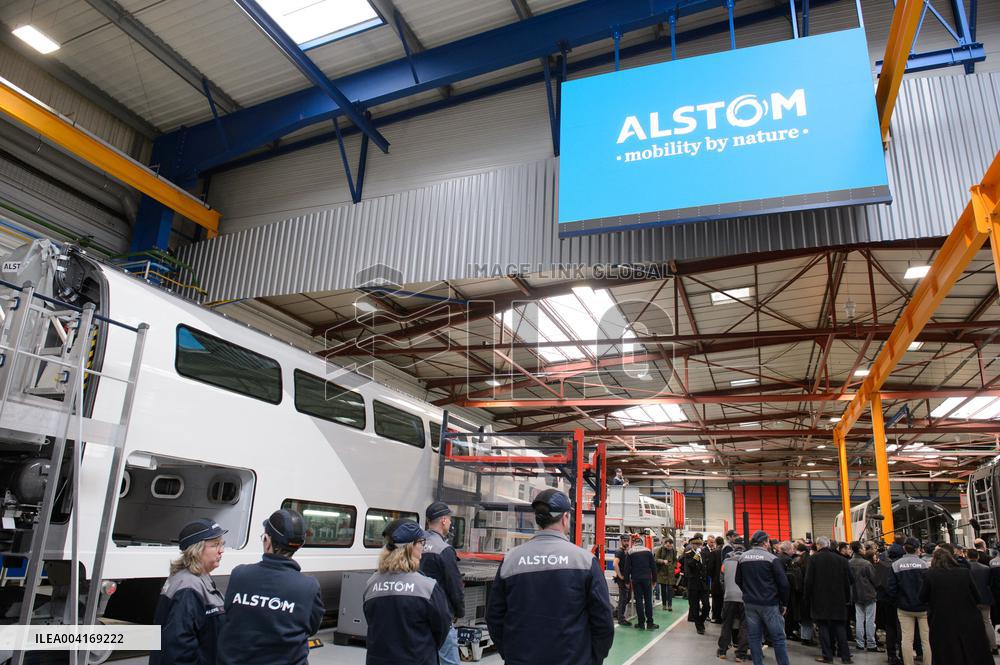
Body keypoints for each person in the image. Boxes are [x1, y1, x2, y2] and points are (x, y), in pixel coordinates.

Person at [485, 489, 614, 665]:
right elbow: (603, 620)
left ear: (539, 519)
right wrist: (594, 658)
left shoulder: (511, 560)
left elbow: (494, 616)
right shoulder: (584, 561)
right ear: (565, 518)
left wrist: (509, 654)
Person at [216, 509, 324, 665]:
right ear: (299, 545)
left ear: (266, 540)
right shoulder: (309, 586)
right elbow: (312, 628)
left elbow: (231, 615)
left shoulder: (240, 574)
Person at [363, 519, 451, 665]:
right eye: (421, 542)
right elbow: (441, 628)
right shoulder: (427, 587)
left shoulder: (371, 584)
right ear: (411, 547)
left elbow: (372, 622)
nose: (423, 547)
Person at [151, 519, 227, 665]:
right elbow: (179, 647)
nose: (221, 550)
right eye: (215, 545)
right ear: (196, 551)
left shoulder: (194, 578)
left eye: (222, 543)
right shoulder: (188, 587)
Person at [919, 547, 993, 665]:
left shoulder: (930, 575)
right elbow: (977, 597)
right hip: (969, 619)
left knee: (947, 654)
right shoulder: (964, 572)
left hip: (942, 621)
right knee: (972, 652)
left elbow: (922, 598)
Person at [735, 530, 790, 665]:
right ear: (765, 542)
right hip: (769, 604)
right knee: (778, 638)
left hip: (750, 604)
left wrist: (748, 592)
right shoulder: (772, 558)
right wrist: (784, 603)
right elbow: (783, 583)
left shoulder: (742, 558)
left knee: (754, 637)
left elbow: (738, 580)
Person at [419, 502, 464, 665]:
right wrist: (459, 611)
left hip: (417, 613)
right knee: (448, 660)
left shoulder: (415, 544)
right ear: (444, 520)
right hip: (441, 614)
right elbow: (454, 585)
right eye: (450, 520)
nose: (451, 523)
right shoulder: (443, 549)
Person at [805, 536, 852, 664]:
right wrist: (847, 598)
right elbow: (849, 581)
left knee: (823, 627)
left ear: (818, 546)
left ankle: (828, 656)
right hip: (839, 599)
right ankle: (846, 657)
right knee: (840, 627)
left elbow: (808, 581)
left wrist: (807, 598)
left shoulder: (813, 559)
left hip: (820, 600)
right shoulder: (842, 560)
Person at [888, 537, 931, 665]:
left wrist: (898, 601)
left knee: (906, 639)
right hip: (923, 608)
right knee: (926, 640)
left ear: (904, 549)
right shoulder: (924, 564)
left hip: (904, 607)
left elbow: (891, 588)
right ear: (918, 549)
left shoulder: (896, 565)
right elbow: (928, 586)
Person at [718, 540, 749, 662]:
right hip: (744, 598)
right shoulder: (747, 562)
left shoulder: (725, 562)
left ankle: (722, 651)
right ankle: (740, 654)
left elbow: (721, 580)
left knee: (726, 624)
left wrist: (726, 591)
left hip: (728, 597)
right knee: (744, 625)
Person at [848, 541, 880, 653]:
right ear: (860, 549)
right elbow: (874, 580)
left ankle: (860, 643)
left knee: (859, 619)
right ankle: (871, 644)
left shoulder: (849, 562)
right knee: (870, 620)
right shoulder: (866, 564)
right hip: (869, 594)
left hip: (856, 594)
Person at [875, 543, 904, 665]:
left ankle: (891, 654)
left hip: (884, 600)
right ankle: (902, 653)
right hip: (898, 601)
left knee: (890, 627)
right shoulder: (900, 566)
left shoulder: (880, 566)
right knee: (901, 628)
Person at [967, 548, 996, 654]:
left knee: (973, 623)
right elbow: (990, 583)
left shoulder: (966, 569)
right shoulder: (986, 568)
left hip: (972, 600)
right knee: (987, 621)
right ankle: (993, 645)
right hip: (985, 598)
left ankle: (978, 646)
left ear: (968, 556)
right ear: (978, 557)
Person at [627, 534, 659, 630]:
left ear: (634, 543)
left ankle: (641, 623)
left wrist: (626, 581)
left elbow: (627, 568)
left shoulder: (630, 551)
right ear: (642, 543)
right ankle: (650, 623)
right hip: (646, 579)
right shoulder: (648, 551)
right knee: (648, 600)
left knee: (639, 601)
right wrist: (654, 580)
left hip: (636, 579)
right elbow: (653, 567)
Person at [683, 533, 710, 634]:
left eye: (700, 545)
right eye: (697, 545)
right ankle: (699, 627)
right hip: (693, 584)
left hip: (703, 584)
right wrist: (696, 556)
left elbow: (705, 567)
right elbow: (691, 565)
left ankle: (701, 621)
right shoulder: (688, 554)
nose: (699, 546)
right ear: (692, 545)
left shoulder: (703, 553)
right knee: (694, 607)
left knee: (707, 606)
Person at [795, 541, 816, 647]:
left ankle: (805, 637)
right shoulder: (811, 562)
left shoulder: (797, 563)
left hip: (801, 594)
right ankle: (809, 637)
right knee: (809, 617)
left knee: (804, 618)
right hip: (809, 593)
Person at [613, 535, 632, 625]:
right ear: (621, 541)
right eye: (624, 541)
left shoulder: (626, 551)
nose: (626, 542)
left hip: (627, 578)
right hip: (622, 579)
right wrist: (620, 576)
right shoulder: (619, 552)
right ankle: (621, 618)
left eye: (627, 541)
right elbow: (615, 564)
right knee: (623, 598)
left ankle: (617, 612)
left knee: (627, 597)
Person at [654, 537, 677, 611]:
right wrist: (663, 561)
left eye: (670, 546)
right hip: (662, 572)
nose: (669, 547)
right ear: (664, 544)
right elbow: (655, 559)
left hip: (670, 572)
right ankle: (664, 605)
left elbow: (675, 560)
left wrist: (673, 566)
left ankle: (670, 605)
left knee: (670, 589)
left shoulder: (673, 551)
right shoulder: (660, 550)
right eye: (667, 546)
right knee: (663, 590)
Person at [711, 536, 726, 623]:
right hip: (725, 579)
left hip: (716, 580)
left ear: (716, 543)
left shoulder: (714, 552)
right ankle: (723, 616)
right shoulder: (727, 552)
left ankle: (716, 617)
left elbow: (711, 567)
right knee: (724, 599)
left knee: (716, 600)